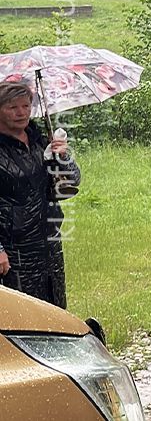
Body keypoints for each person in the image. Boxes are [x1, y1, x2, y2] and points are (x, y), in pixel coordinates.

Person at [0, 81, 80, 308]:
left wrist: (63, 157)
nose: (21, 113)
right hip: (14, 249)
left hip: (48, 240)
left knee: (55, 308)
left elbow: (72, 183)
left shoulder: (40, 142)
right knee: (23, 315)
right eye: (12, 107)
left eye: (26, 106)